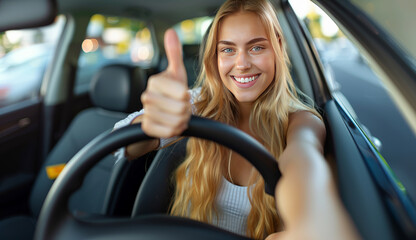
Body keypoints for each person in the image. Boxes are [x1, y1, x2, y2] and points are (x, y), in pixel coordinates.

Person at [113, 0, 360, 239]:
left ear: (278, 48)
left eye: (256, 47)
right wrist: (151, 122)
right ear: (215, 57)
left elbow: (304, 161)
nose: (241, 64)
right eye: (228, 49)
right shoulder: (200, 104)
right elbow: (122, 144)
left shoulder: (300, 120)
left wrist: (314, 221)